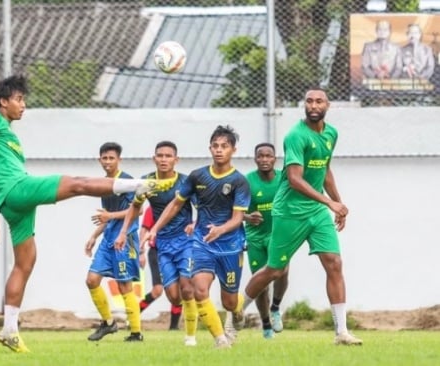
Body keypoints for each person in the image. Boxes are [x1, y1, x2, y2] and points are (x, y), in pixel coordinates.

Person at [0, 75, 170, 353]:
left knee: (25, 263)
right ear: (3, 102)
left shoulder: (9, 133)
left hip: (15, 201)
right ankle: (139, 184)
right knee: (78, 184)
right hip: (17, 190)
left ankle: (9, 330)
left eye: (23, 99)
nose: (23, 105)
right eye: (18, 99)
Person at [240, 87, 363, 346]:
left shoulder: (331, 134)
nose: (314, 105)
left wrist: (337, 203)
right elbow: (295, 179)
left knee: (334, 262)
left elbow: (325, 169)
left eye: (319, 101)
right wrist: (329, 202)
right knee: (274, 270)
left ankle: (341, 332)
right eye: (309, 101)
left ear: (328, 105)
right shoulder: (295, 135)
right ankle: (234, 318)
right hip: (289, 211)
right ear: (304, 105)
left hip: (316, 211)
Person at [145, 126, 250, 349]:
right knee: (199, 288)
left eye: (225, 146)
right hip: (202, 242)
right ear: (210, 148)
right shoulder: (197, 176)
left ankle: (238, 309)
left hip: (230, 245)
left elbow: (238, 217)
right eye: (216, 146)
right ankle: (220, 339)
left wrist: (220, 230)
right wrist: (154, 228)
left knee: (229, 302)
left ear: (234, 150)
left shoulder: (239, 181)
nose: (219, 150)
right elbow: (175, 204)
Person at [115, 140, 198, 346]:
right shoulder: (146, 182)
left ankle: (190, 337)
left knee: (187, 288)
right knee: (173, 296)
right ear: (154, 158)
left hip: (186, 242)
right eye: (160, 156)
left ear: (176, 160)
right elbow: (135, 208)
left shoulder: (186, 182)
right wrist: (124, 232)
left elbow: (201, 208)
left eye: (168, 156)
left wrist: (196, 223)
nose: (163, 159)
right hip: (162, 244)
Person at [84, 142, 143, 342]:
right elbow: (107, 217)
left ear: (119, 160)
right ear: (99, 160)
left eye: (112, 158)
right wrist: (94, 235)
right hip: (109, 237)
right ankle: (108, 323)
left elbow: (137, 210)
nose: (108, 162)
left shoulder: (127, 181)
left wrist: (113, 222)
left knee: (124, 285)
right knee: (91, 280)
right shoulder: (103, 184)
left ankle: (136, 333)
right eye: (105, 158)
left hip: (125, 238)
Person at [242, 142, 289, 339]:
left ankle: (276, 307)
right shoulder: (247, 181)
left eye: (268, 156)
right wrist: (247, 217)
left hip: (279, 235)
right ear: (255, 159)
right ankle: (266, 325)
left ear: (275, 159)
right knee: (260, 283)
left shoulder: (284, 179)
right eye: (260, 156)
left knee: (282, 271)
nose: (264, 160)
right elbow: (234, 210)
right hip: (255, 237)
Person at [137, 206, 184, 331]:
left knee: (179, 289)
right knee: (157, 290)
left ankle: (174, 327)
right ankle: (134, 315)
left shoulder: (180, 205)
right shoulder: (152, 208)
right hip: (157, 252)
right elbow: (144, 230)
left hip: (177, 251)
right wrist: (141, 252)